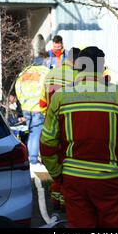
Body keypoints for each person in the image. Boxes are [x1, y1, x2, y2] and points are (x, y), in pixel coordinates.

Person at [40, 47, 118, 228]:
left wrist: (57, 175)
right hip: (110, 178)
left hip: (73, 179)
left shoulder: (60, 96)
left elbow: (47, 142)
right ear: (102, 68)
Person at [39, 47, 80, 211]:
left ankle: (56, 198)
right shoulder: (77, 77)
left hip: (51, 125)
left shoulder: (50, 74)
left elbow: (42, 102)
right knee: (68, 163)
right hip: (68, 126)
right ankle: (64, 201)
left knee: (55, 163)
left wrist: (49, 116)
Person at [15, 52, 50, 165]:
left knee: (30, 132)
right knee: (35, 134)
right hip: (38, 108)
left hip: (26, 107)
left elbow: (17, 88)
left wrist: (22, 102)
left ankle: (31, 157)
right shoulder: (45, 72)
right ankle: (33, 160)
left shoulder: (24, 72)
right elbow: (48, 89)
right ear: (44, 61)